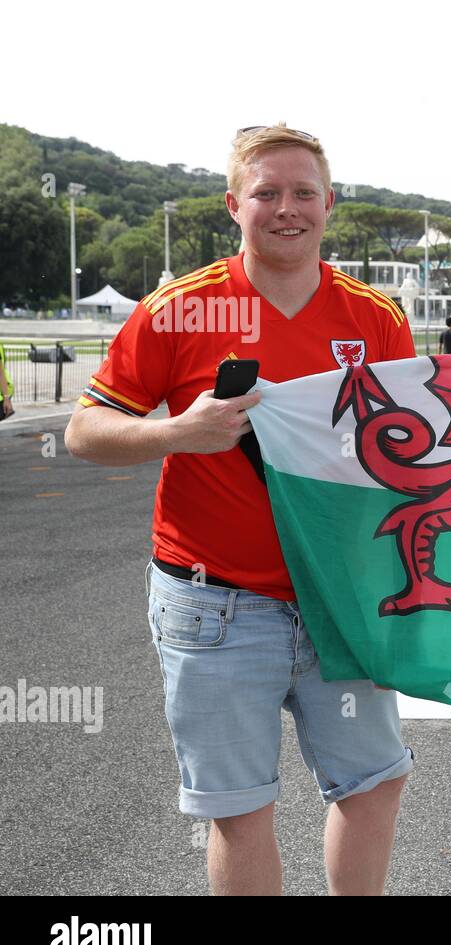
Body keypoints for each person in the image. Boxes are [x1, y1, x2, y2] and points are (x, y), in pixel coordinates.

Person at [63, 125, 415, 896]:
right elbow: (84, 429)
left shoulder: (377, 318)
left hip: (340, 597)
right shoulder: (179, 309)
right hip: (215, 599)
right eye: (267, 193)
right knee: (240, 807)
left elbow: (403, 452)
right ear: (234, 205)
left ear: (330, 203)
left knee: (373, 781)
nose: (286, 209)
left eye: (302, 193)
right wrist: (177, 433)